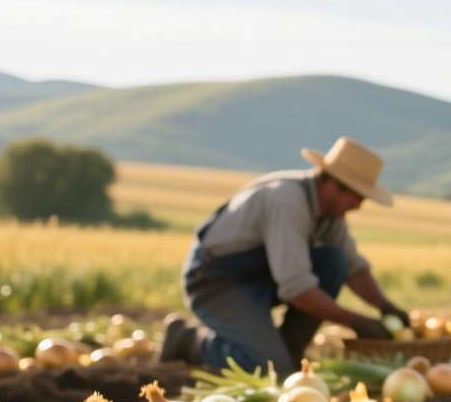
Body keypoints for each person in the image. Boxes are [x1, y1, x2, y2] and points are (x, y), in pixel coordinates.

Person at [159, 137, 408, 373]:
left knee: (334, 261)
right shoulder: (287, 202)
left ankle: (289, 352)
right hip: (215, 283)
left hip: (257, 279)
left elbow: (354, 268)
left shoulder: (330, 214)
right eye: (356, 195)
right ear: (331, 182)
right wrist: (356, 321)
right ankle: (189, 339)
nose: (359, 204)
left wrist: (386, 307)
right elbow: (296, 288)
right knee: (266, 367)